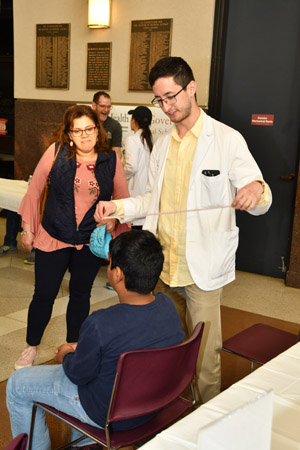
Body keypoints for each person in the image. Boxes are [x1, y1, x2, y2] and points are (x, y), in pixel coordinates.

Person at [94, 56, 272, 404]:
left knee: (205, 357)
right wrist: (117, 207)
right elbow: (151, 200)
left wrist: (255, 190)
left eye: (172, 96)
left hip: (201, 269)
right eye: (159, 100)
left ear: (192, 88)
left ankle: (207, 419)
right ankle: (166, 413)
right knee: (162, 349)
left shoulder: (225, 139)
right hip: (162, 268)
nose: (167, 106)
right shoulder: (162, 145)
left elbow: (260, 191)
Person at [6, 230, 184, 449]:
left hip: (106, 412)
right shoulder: (169, 307)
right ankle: (83, 443)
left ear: (117, 274)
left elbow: (78, 375)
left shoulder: (100, 322)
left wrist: (67, 355)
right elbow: (130, 343)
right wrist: (85, 348)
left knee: (17, 384)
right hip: (152, 406)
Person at [14, 104, 130, 370]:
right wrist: (28, 228)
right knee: (44, 294)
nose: (85, 135)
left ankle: (72, 348)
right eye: (77, 131)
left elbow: (123, 199)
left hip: (90, 240)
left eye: (89, 129)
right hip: (54, 235)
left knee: (80, 294)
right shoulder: (56, 153)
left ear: (97, 129)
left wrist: (114, 217)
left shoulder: (110, 159)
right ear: (68, 134)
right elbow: (34, 191)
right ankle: (31, 346)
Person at [124, 106, 153, 229]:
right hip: (145, 191)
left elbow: (131, 167)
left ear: (134, 120)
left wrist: (120, 176)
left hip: (134, 190)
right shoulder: (149, 139)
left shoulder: (132, 139)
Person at [92, 91, 123, 160]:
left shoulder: (115, 126)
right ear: (94, 105)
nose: (106, 110)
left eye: (108, 107)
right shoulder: (85, 123)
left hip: (105, 166)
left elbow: (116, 152)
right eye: (102, 106)